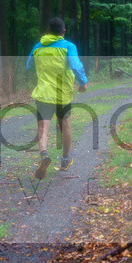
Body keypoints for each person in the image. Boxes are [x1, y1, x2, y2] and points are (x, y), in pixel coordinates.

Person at [26, 17, 88, 179]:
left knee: (42, 126)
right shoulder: (68, 47)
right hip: (62, 94)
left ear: (47, 30)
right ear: (63, 31)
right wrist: (83, 82)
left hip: (43, 92)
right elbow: (75, 65)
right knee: (65, 124)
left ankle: (44, 154)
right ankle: (65, 159)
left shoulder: (38, 47)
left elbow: (29, 66)